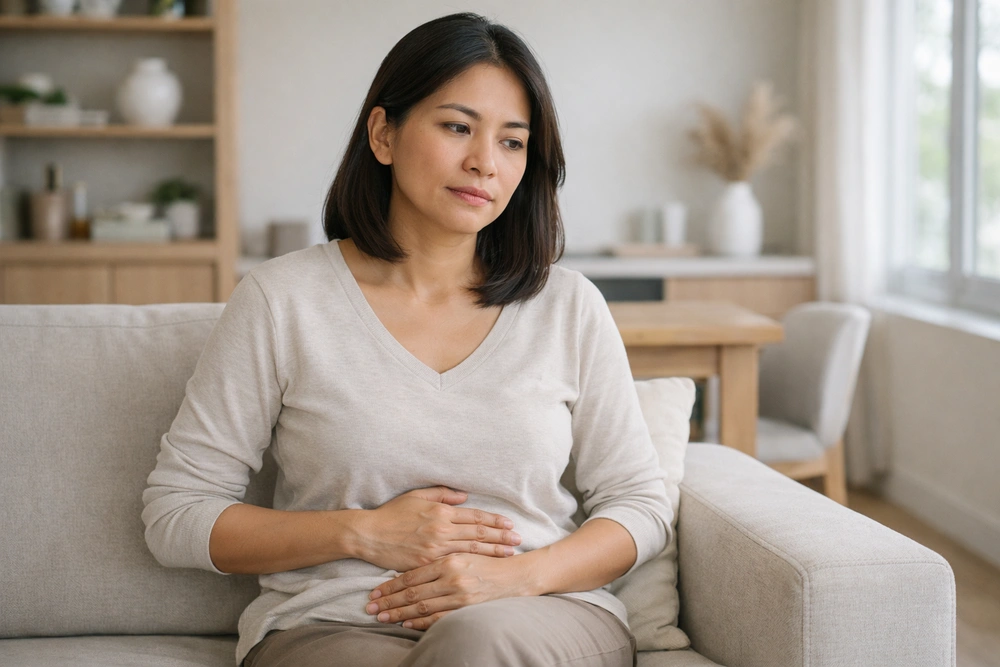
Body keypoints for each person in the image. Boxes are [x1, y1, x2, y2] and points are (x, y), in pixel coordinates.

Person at [142, 12, 672, 667]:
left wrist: (516, 577)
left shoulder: (568, 306)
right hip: (331, 625)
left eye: (512, 142)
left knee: (476, 644)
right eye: (457, 127)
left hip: (536, 615)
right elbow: (177, 514)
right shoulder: (282, 300)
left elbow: (641, 505)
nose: (484, 162)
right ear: (383, 133)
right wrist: (360, 532)